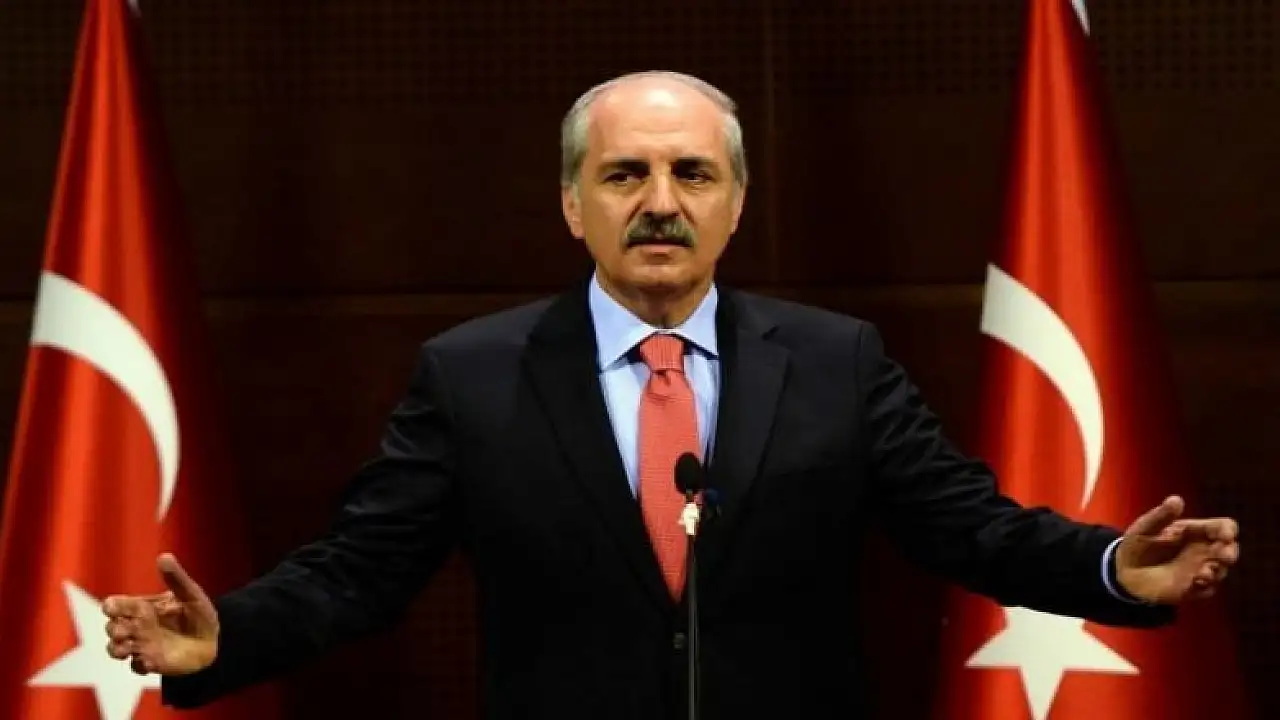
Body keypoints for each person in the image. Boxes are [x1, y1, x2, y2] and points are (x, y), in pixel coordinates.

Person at [102, 71, 1240, 720]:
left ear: (736, 203)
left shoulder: (835, 362)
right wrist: (226, 639)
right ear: (572, 206)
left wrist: (1109, 568)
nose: (660, 201)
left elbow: (970, 528)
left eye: (692, 173)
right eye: (624, 175)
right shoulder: (474, 374)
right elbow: (359, 571)